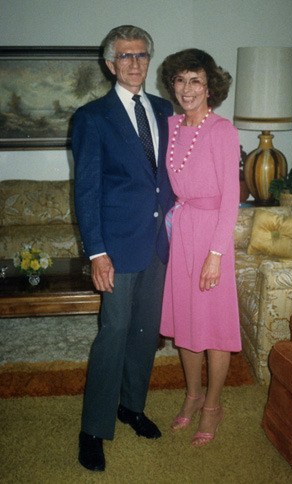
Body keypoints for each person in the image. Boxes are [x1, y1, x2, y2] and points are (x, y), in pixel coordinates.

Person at [71, 25, 174, 472]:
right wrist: (96, 253)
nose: (135, 63)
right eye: (125, 56)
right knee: (113, 334)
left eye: (142, 55)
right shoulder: (92, 117)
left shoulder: (165, 109)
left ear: (149, 59)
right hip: (116, 245)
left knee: (146, 334)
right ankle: (92, 428)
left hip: (158, 244)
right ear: (110, 64)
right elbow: (86, 191)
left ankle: (131, 405)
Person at [160, 48, 242, 447]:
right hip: (182, 230)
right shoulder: (170, 125)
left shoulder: (222, 130)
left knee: (215, 327)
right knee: (186, 324)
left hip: (213, 236)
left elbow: (231, 199)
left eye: (195, 80)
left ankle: (212, 404)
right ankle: (192, 394)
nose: (186, 88)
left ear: (210, 85)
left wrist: (216, 255)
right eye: (179, 80)